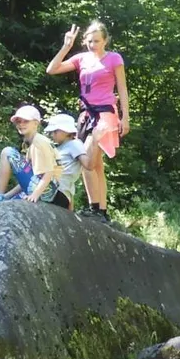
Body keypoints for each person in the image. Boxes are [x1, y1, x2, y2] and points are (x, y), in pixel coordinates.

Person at [45, 20, 130, 221]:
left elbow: (122, 88)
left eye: (97, 41)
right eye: (90, 41)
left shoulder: (114, 58)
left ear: (105, 40)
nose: (93, 45)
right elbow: (51, 69)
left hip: (105, 114)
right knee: (95, 164)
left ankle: (95, 209)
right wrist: (66, 46)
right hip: (85, 115)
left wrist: (125, 117)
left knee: (87, 158)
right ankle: (101, 210)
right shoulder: (81, 58)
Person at [0, 105, 63, 208]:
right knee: (10, 202)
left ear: (36, 123)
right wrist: (7, 196)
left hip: (46, 190)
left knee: (7, 152)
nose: (21, 124)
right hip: (43, 189)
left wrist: (35, 195)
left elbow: (49, 172)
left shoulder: (39, 142)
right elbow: (30, 176)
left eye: (26, 121)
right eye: (18, 121)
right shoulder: (29, 142)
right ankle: (1, 198)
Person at [44, 114, 87, 212]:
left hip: (57, 191)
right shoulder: (58, 148)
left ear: (66, 131)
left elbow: (88, 165)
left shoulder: (75, 144)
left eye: (55, 131)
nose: (52, 135)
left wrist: (95, 141)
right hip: (55, 189)